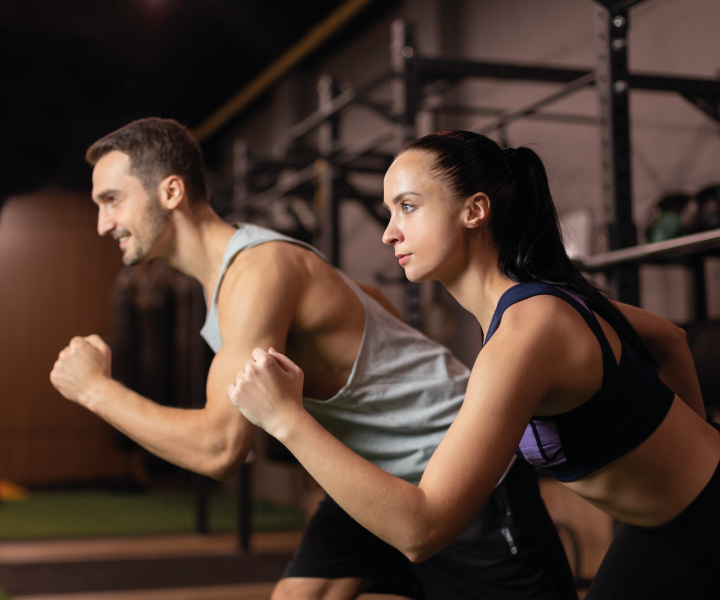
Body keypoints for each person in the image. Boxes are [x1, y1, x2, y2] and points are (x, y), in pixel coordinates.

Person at [50, 119, 578, 600]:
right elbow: (369, 296)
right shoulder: (243, 274)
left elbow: (219, 449)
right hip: (372, 474)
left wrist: (94, 388)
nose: (103, 223)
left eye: (112, 199)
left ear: (170, 191)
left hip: (455, 474)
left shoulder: (257, 272)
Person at [228, 130, 720, 600]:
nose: (388, 233)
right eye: (389, 211)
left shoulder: (528, 332)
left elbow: (422, 529)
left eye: (408, 207)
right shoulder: (530, 311)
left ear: (474, 211)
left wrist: (284, 419)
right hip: (663, 530)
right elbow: (670, 340)